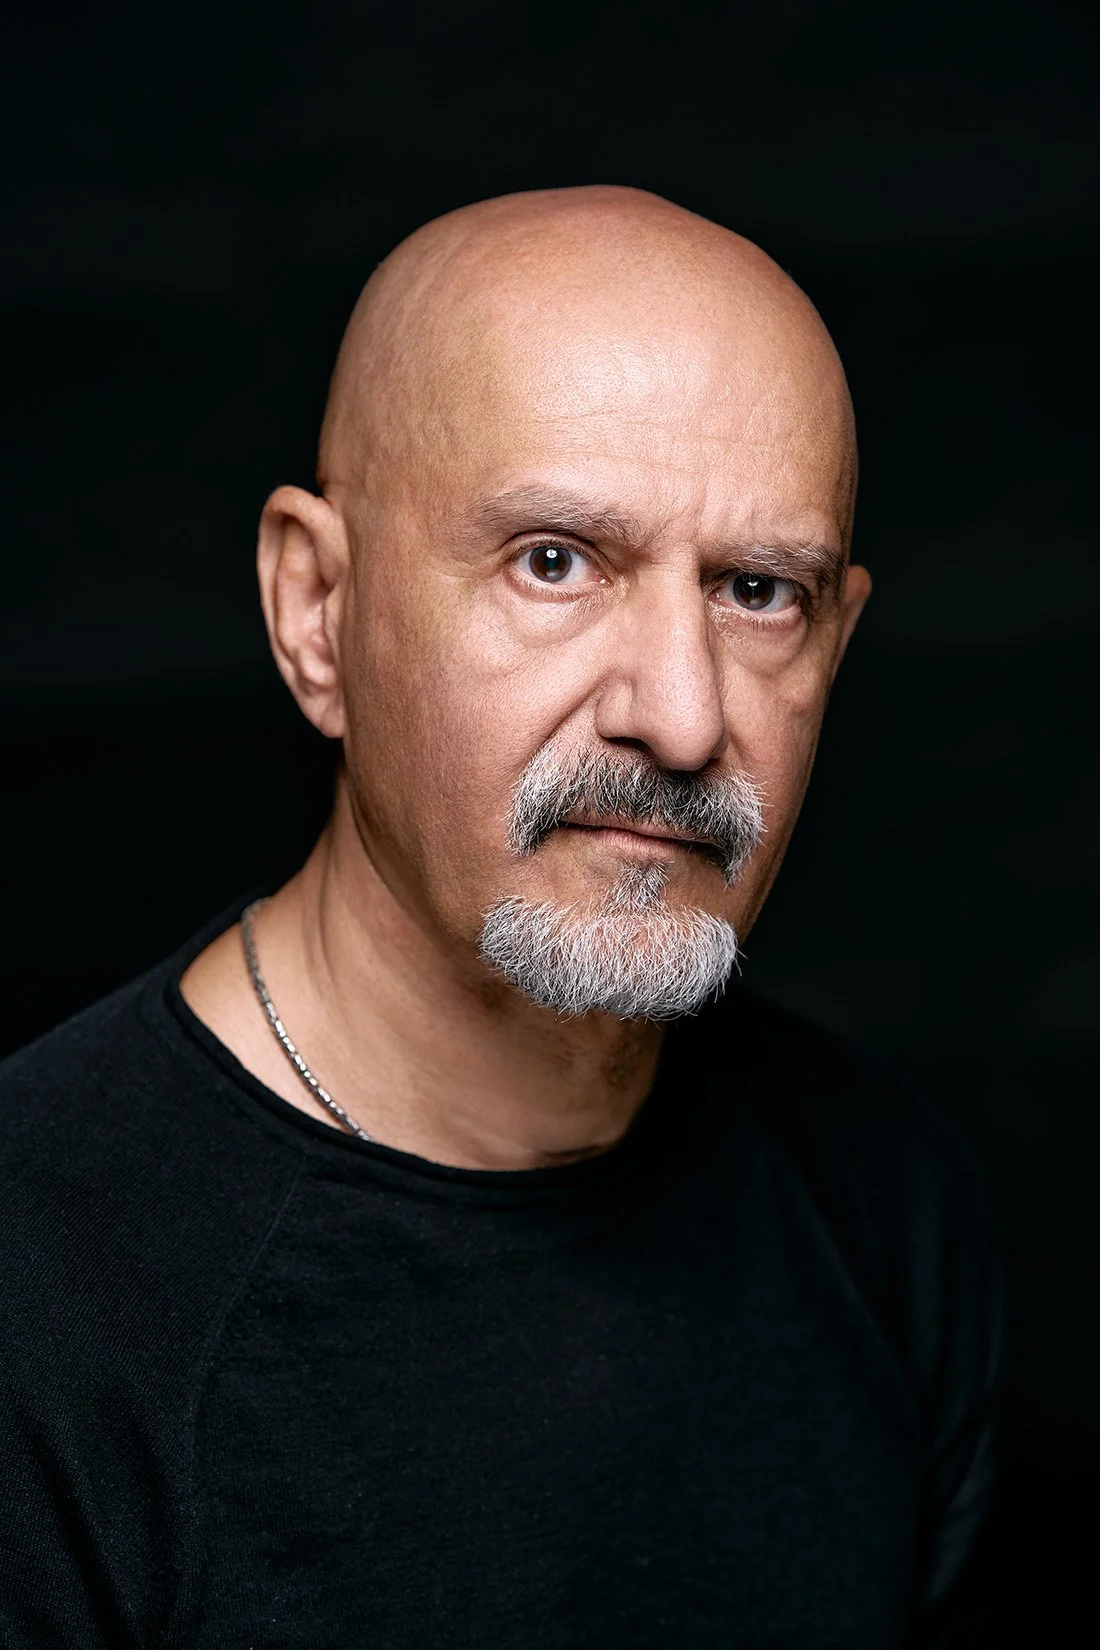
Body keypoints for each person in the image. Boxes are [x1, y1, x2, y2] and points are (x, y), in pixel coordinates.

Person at [0, 186, 1000, 1647]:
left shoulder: (885, 1204)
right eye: (554, 561)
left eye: (758, 592)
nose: (678, 711)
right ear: (315, 612)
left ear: (837, 641)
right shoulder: (38, 1303)